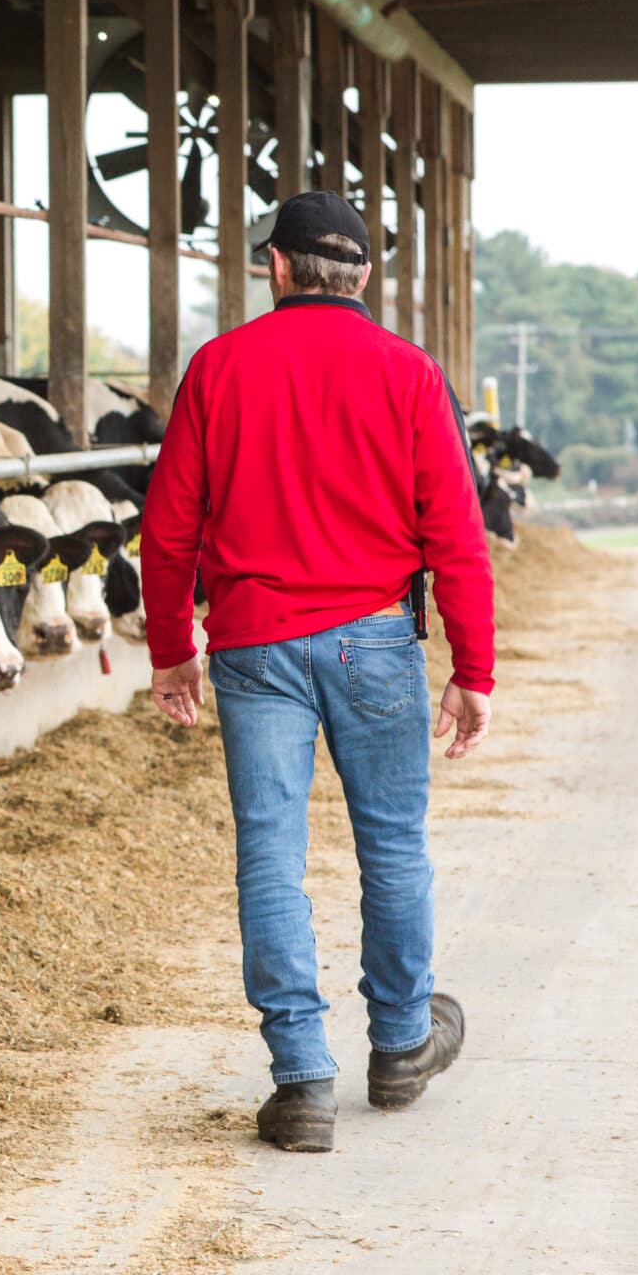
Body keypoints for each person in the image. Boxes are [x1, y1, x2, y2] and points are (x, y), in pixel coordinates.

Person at [139, 189, 493, 1154]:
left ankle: (300, 1080)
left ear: (277, 268)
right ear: (365, 277)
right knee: (392, 846)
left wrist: (173, 646)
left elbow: (168, 527)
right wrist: (475, 668)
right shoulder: (412, 374)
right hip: (377, 637)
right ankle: (401, 1043)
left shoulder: (219, 368)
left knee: (270, 857)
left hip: (253, 646)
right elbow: (456, 534)